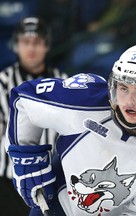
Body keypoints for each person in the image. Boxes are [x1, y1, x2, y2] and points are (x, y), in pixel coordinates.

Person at [5, 45, 136, 215]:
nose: (129, 101)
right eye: (123, 88)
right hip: (55, 208)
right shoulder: (84, 100)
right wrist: (27, 158)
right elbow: (23, 99)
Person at [0, 16, 67, 216]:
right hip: (7, 181)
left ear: (46, 46)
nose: (31, 49)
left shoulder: (62, 82)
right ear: (17, 45)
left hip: (50, 179)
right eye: (26, 42)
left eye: (37, 43)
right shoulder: (3, 82)